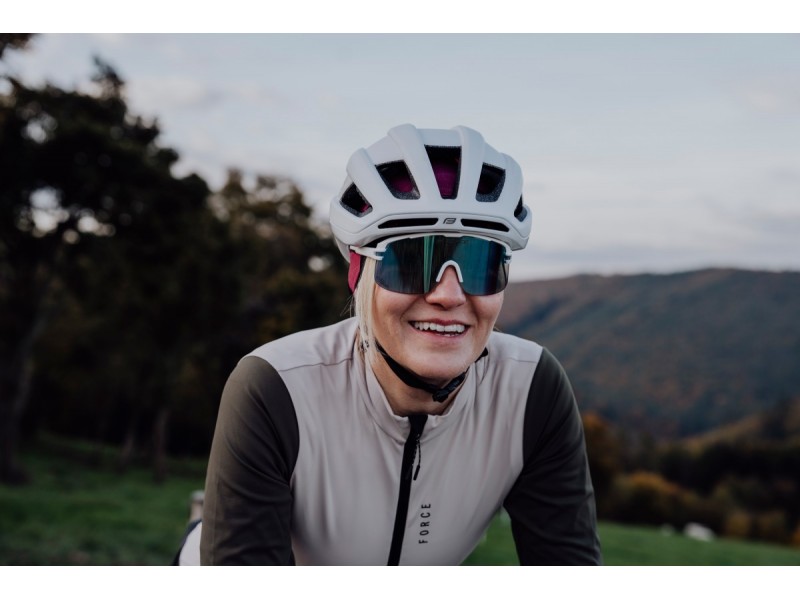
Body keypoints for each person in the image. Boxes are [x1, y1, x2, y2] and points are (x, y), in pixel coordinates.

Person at [194, 124, 601, 566]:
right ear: (360, 276)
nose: (448, 296)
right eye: (410, 261)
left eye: (480, 263)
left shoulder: (531, 390)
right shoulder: (276, 388)